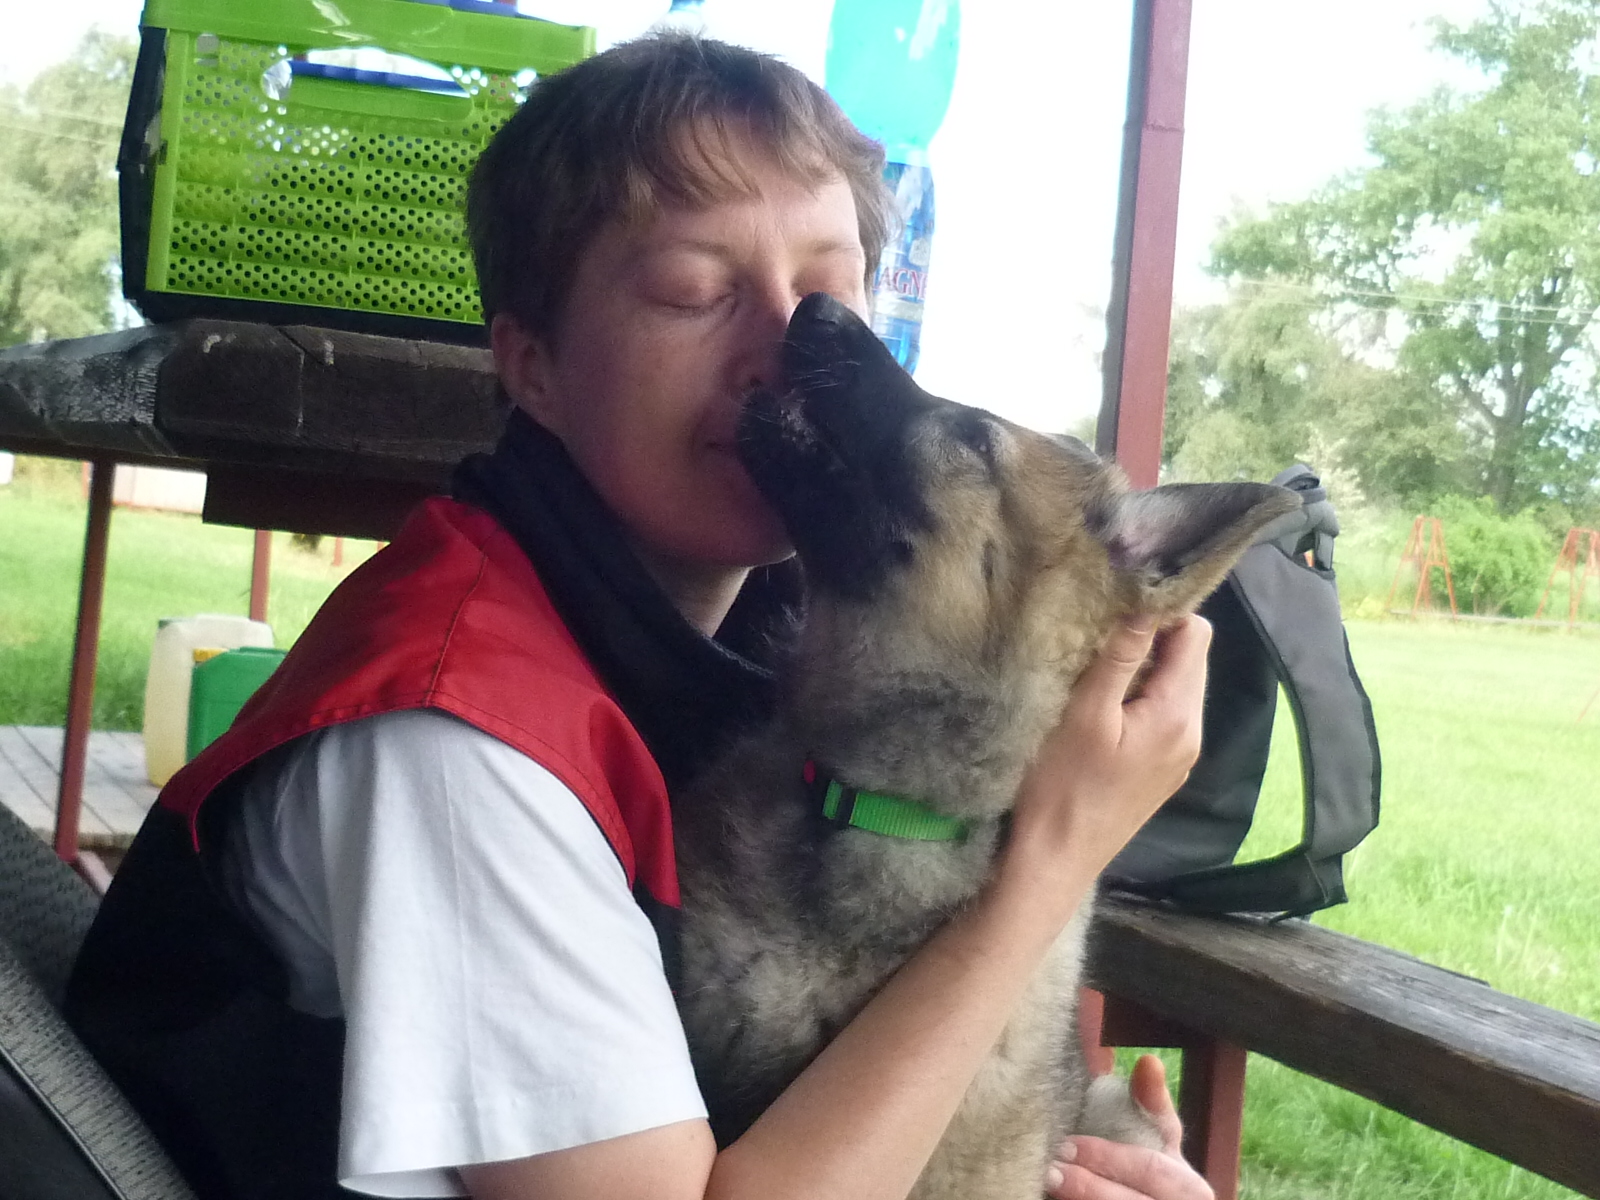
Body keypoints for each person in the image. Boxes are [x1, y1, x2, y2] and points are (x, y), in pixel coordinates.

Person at [66, 34, 1213, 1200]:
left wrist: (1064, 1163)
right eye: (694, 293)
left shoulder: (752, 645)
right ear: (534, 365)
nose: (786, 348)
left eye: (827, 291)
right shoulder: (456, 742)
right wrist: (1050, 866)